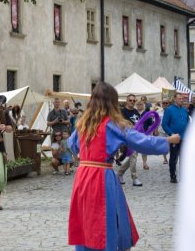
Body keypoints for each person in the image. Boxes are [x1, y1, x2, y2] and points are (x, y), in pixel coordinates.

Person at [67, 81, 180, 251]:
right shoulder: (111, 124)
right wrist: (168, 140)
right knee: (107, 217)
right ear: (111, 102)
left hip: (83, 176)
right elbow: (140, 141)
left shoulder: (83, 123)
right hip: (101, 177)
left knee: (87, 218)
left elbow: (72, 144)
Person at [162, 92, 189, 183]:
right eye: (179, 98)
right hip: (174, 138)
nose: (181, 100)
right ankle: (172, 176)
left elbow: (188, 122)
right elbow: (164, 124)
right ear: (174, 99)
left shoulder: (184, 110)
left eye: (182, 99)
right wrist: (171, 134)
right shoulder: (169, 110)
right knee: (173, 158)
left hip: (184, 138)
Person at [117, 94, 142, 187]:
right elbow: (121, 124)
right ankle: (134, 178)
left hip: (136, 137)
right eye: (130, 100)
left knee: (133, 157)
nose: (132, 102)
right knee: (133, 156)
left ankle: (119, 173)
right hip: (127, 137)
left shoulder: (136, 111)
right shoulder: (122, 111)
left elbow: (140, 123)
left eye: (133, 101)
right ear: (127, 101)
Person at [136, 100, 151, 170]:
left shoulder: (147, 113)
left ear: (143, 105)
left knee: (144, 149)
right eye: (138, 104)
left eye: (141, 104)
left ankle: (144, 163)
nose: (139, 106)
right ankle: (133, 163)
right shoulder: (134, 113)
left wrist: (149, 132)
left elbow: (150, 124)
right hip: (135, 134)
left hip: (144, 133)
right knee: (134, 150)